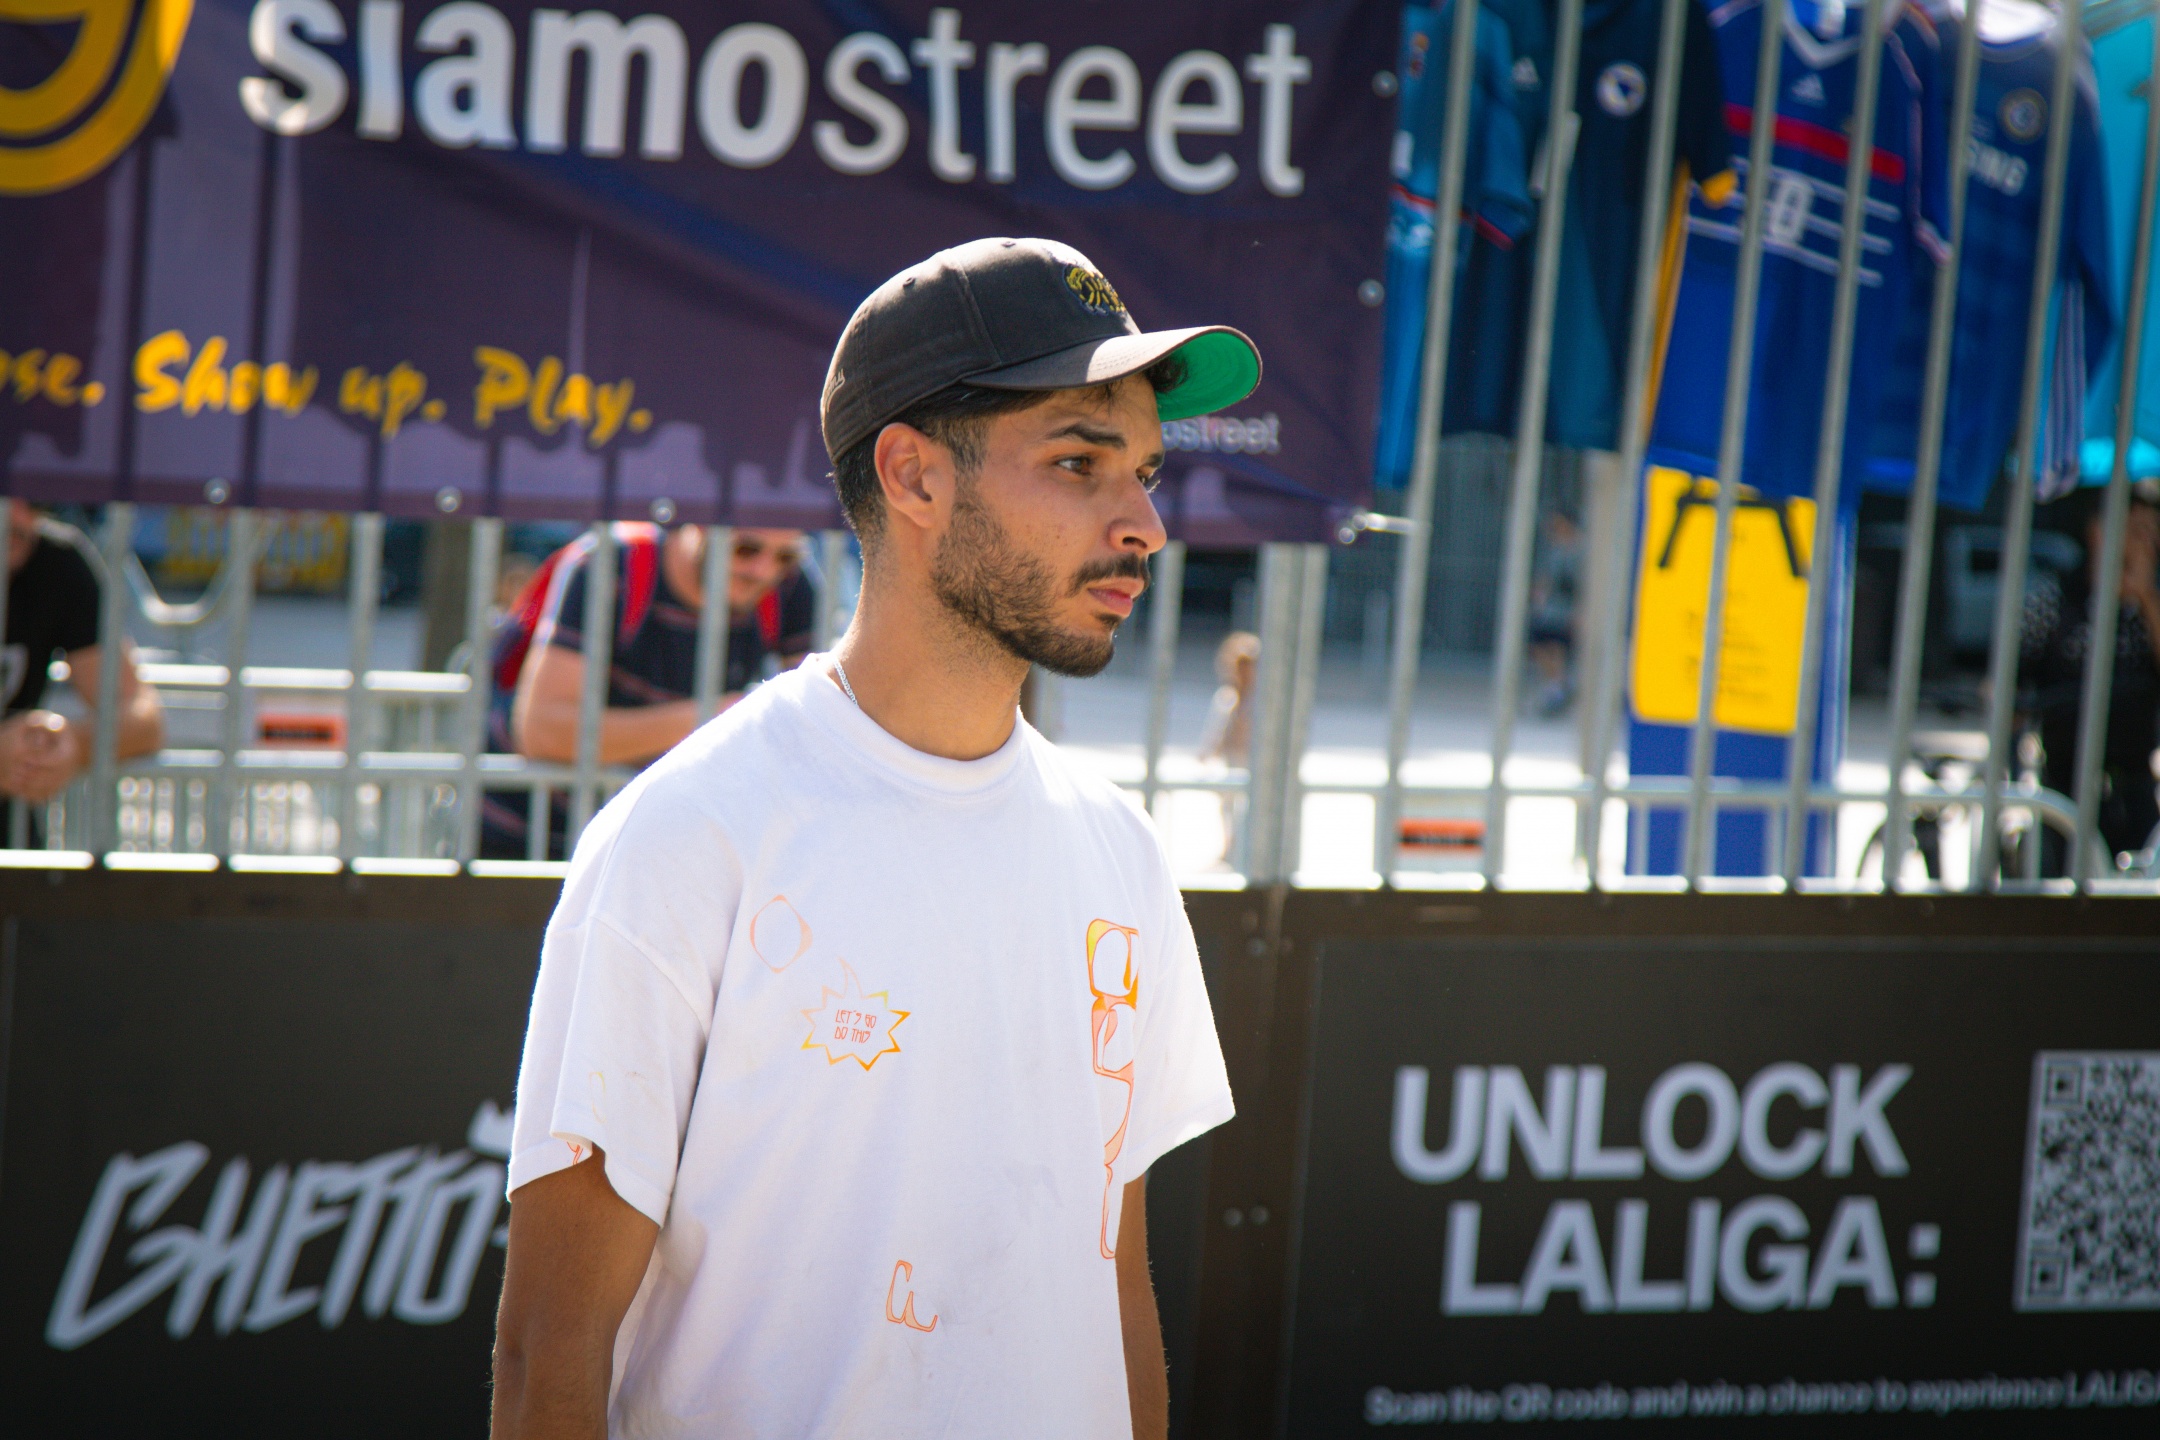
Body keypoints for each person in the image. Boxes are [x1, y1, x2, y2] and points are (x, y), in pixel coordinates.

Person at [491, 237, 1257, 1439]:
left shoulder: (1120, 849)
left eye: (1148, 473)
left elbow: (1111, 1286)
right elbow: (549, 1355)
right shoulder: (690, 836)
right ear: (912, 476)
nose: (1145, 525)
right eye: (1079, 462)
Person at [479, 524, 817, 859]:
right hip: (529, 839)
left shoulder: (791, 586)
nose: (764, 571)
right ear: (699, 523)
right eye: (745, 549)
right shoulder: (612, 564)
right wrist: (720, 719)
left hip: (656, 848)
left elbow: (809, 733)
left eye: (786, 557)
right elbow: (542, 732)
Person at [2022, 482, 2160, 871]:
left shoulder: (2151, 604)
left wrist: (2145, 596)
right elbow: (2016, 679)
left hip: (2133, 780)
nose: (2144, 542)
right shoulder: (2055, 599)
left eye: (2151, 531)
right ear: (2098, 531)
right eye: (2135, 529)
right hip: (2064, 782)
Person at [0, 500, 163, 814]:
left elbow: (144, 720)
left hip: (14, 831)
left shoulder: (56, 562)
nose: (16, 517)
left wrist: (68, 742)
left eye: (34, 498)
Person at [1528, 509, 1581, 717]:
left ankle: (1558, 687)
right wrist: (1539, 596)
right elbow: (1546, 576)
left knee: (1559, 647)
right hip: (1551, 607)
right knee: (1539, 646)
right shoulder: (1554, 549)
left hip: (1569, 607)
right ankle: (1558, 683)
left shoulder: (1580, 549)